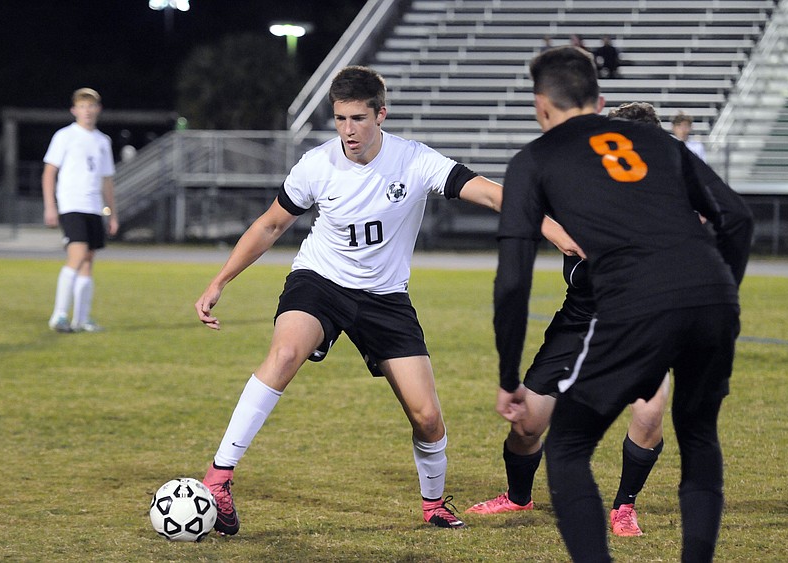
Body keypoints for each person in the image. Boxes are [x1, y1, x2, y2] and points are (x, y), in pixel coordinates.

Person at [194, 65, 502, 535]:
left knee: (427, 416)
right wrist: (220, 281)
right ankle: (218, 479)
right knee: (285, 352)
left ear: (381, 114)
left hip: (385, 297)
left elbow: (485, 191)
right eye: (339, 119)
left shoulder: (415, 160)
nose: (348, 131)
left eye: (358, 119)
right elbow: (270, 225)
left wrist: (549, 219)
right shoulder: (317, 164)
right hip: (321, 281)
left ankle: (434, 504)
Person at [493, 47, 753, 562]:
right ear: (599, 98)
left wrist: (507, 375)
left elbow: (513, 281)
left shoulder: (535, 158)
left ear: (541, 106)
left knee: (567, 445)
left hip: (635, 306)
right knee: (699, 435)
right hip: (713, 298)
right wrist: (724, 297)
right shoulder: (657, 141)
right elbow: (738, 219)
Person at [466, 102, 676, 539]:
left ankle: (623, 507)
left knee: (651, 411)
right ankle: (518, 496)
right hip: (577, 324)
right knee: (526, 423)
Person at [42, 87, 118, 333]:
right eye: (82, 106)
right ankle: (60, 315)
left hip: (94, 207)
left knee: (87, 261)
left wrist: (111, 213)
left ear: (98, 109)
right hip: (72, 204)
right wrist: (51, 206)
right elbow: (49, 172)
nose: (87, 111)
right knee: (77, 255)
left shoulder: (102, 141)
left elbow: (107, 180)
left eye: (91, 106)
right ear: (74, 110)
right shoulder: (65, 136)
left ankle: (81, 318)